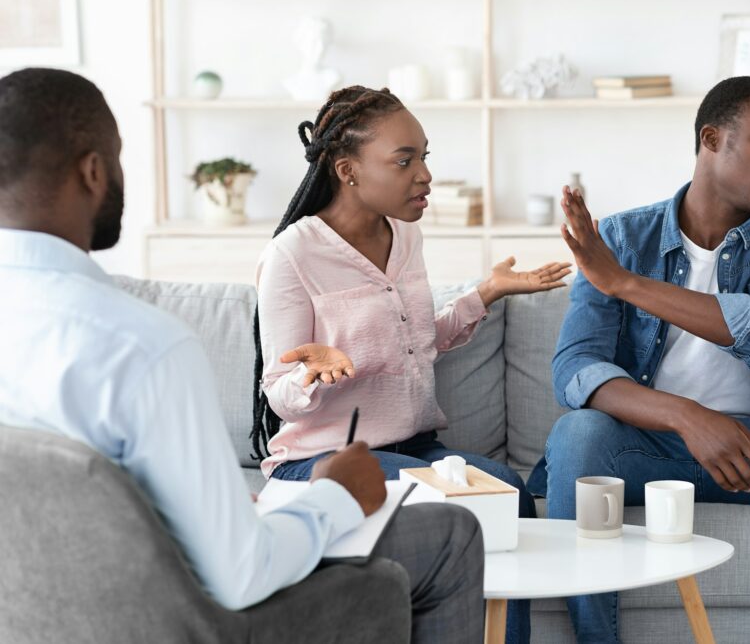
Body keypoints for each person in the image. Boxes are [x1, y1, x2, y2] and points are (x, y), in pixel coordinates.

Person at [0, 67, 484, 643]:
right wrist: (335, 496)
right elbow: (241, 575)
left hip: (47, 619)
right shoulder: (143, 346)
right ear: (94, 171)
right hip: (183, 620)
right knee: (453, 534)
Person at [529, 76, 750, 644]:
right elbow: (576, 369)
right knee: (577, 436)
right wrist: (686, 417)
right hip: (651, 449)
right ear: (712, 139)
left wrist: (624, 283)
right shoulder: (618, 237)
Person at [251, 84, 569, 642]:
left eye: (425, 156)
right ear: (348, 171)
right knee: (488, 494)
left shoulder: (405, 235)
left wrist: (486, 292)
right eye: (405, 160)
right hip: (324, 461)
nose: (424, 174)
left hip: (413, 450)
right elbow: (278, 392)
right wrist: (313, 372)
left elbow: (417, 339)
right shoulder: (292, 255)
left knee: (507, 492)